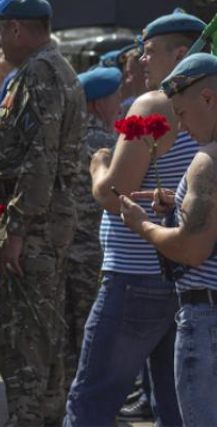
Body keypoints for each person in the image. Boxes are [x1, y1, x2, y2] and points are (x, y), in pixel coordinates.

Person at [117, 54, 217, 426]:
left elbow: (191, 249)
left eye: (182, 113)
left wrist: (140, 224)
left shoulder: (214, 157)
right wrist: (180, 205)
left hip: (213, 318)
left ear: (207, 99)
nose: (181, 127)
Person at [65, 12, 204, 427]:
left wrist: (99, 164)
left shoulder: (155, 104)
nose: (141, 61)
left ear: (181, 54)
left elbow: (113, 194)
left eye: (149, 52)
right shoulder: (214, 104)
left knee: (90, 400)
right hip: (182, 274)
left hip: (135, 273)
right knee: (172, 404)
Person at [0, 0, 87, 426]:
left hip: (36, 228)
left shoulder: (41, 73)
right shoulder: (53, 68)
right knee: (44, 333)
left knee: (23, 341)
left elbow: (39, 159)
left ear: (16, 29)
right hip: (48, 223)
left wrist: (16, 230)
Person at [64, 67, 123, 392]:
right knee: (93, 334)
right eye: (114, 96)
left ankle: (64, 402)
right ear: (98, 103)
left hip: (63, 247)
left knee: (64, 333)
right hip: (93, 254)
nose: (119, 102)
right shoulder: (106, 142)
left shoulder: (65, 133)